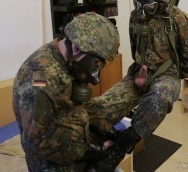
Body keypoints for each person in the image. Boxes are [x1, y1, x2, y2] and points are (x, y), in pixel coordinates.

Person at [85, 0, 188, 170]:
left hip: (167, 75)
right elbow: (134, 48)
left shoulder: (178, 18)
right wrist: (139, 73)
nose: (142, 6)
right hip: (138, 73)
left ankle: (122, 146)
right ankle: (94, 148)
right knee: (97, 107)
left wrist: (172, 73)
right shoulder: (136, 16)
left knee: (158, 99)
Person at [12, 12, 120, 172]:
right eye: (96, 63)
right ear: (76, 47)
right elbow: (37, 143)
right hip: (51, 163)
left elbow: (69, 105)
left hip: (68, 136)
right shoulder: (41, 79)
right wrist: (86, 151)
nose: (96, 71)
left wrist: (101, 126)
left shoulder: (65, 57)